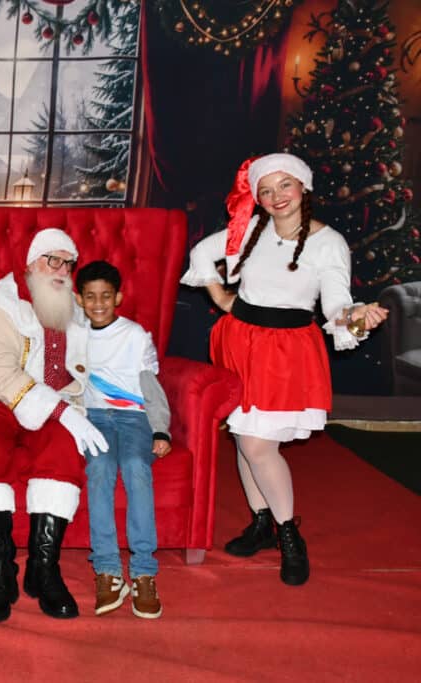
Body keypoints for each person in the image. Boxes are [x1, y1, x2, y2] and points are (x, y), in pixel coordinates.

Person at [181, 153, 387, 586]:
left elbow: (335, 303)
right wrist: (221, 297)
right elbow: (201, 251)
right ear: (257, 197)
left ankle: (289, 534)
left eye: (284, 185)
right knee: (244, 438)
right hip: (239, 340)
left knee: (259, 446)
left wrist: (355, 317)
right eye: (266, 190)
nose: (276, 197)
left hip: (285, 352)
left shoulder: (328, 243)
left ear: (303, 186)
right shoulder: (250, 229)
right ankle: (262, 523)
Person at [0, 228, 108, 623]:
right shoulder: (0, 306)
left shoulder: (76, 311)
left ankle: (44, 568)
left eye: (68, 263)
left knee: (63, 448)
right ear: (29, 265)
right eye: (51, 260)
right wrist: (60, 411)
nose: (60, 270)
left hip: (55, 403)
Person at [75, 260, 171, 619]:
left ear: (118, 297)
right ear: (79, 299)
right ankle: (108, 571)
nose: (98, 303)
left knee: (135, 467)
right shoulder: (75, 335)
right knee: (99, 468)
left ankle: (144, 571)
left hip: (134, 417)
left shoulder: (135, 335)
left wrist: (161, 429)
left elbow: (150, 386)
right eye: (90, 296)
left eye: (106, 296)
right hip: (94, 418)